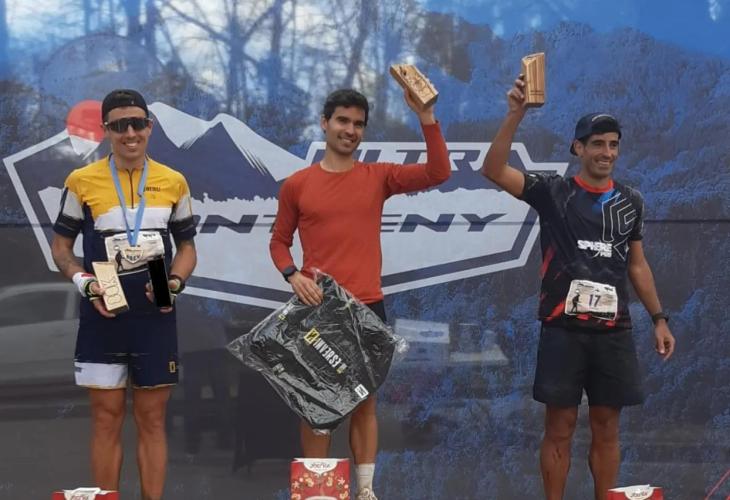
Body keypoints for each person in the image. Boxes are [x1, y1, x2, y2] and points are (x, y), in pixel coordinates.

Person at [481, 76, 676, 500]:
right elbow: (493, 170)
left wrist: (659, 318)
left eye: (613, 145)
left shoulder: (631, 201)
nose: (607, 152)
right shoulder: (553, 192)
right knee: (560, 427)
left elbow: (637, 265)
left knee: (607, 427)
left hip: (613, 332)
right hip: (562, 330)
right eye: (597, 144)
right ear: (578, 148)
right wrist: (515, 114)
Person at [269, 88, 450, 500]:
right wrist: (293, 275)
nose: (350, 130)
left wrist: (426, 116)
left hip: (367, 307)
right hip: (318, 310)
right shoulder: (298, 184)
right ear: (324, 123)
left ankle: (366, 491)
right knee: (316, 407)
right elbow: (279, 241)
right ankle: (318, 493)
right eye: (342, 121)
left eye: (358, 124)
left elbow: (439, 172)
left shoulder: (378, 176)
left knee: (364, 403)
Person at [51, 89, 197, 500]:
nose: (130, 133)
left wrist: (173, 283)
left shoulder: (174, 181)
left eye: (137, 124)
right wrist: (85, 284)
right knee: (105, 419)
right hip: (104, 315)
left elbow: (187, 248)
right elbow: (61, 248)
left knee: (153, 420)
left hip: (155, 316)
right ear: (105, 130)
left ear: (150, 126)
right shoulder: (80, 181)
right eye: (119, 126)